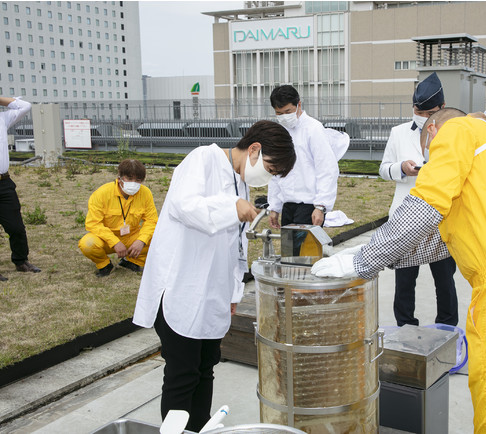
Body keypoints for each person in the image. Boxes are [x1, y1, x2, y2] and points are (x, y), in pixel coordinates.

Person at [313, 107, 486, 433]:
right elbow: (441, 241)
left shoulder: (459, 131)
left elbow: (425, 205)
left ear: (432, 131)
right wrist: (373, 254)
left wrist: (363, 262)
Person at [132, 120, 295, 432]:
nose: (268, 178)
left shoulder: (240, 181)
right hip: (181, 287)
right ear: (255, 149)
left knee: (206, 368)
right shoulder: (203, 159)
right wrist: (232, 206)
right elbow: (184, 206)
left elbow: (236, 246)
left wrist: (233, 292)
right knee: (182, 373)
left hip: (211, 292)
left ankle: (200, 427)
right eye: (270, 169)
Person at [379, 72, 458, 326]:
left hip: (441, 218)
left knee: (444, 280)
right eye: (418, 111)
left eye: (429, 113)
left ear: (443, 107)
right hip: (406, 218)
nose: (423, 117)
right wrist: (401, 168)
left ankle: (447, 328)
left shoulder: (455, 133)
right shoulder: (398, 132)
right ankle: (405, 329)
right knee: (404, 281)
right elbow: (383, 169)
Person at [267, 85, 339, 230]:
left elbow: (327, 169)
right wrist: (274, 207)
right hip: (288, 204)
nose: (284, 116)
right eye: (279, 113)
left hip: (309, 205)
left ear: (299, 105)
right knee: (288, 244)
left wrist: (321, 206)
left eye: (288, 111)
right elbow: (276, 172)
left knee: (304, 245)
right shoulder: (280, 132)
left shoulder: (313, 129)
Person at [78, 159, 158, 276]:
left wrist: (141, 241)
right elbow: (93, 223)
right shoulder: (102, 193)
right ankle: (105, 265)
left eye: (138, 180)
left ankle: (132, 261)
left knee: (159, 238)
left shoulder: (145, 193)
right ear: (119, 177)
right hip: (106, 239)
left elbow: (151, 221)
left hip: (131, 236)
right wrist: (114, 242)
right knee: (87, 243)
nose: (134, 183)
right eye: (129, 178)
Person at [0, 96, 41, 281]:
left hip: (4, 182)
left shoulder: (2, 119)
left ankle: (21, 260)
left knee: (16, 226)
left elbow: (25, 106)